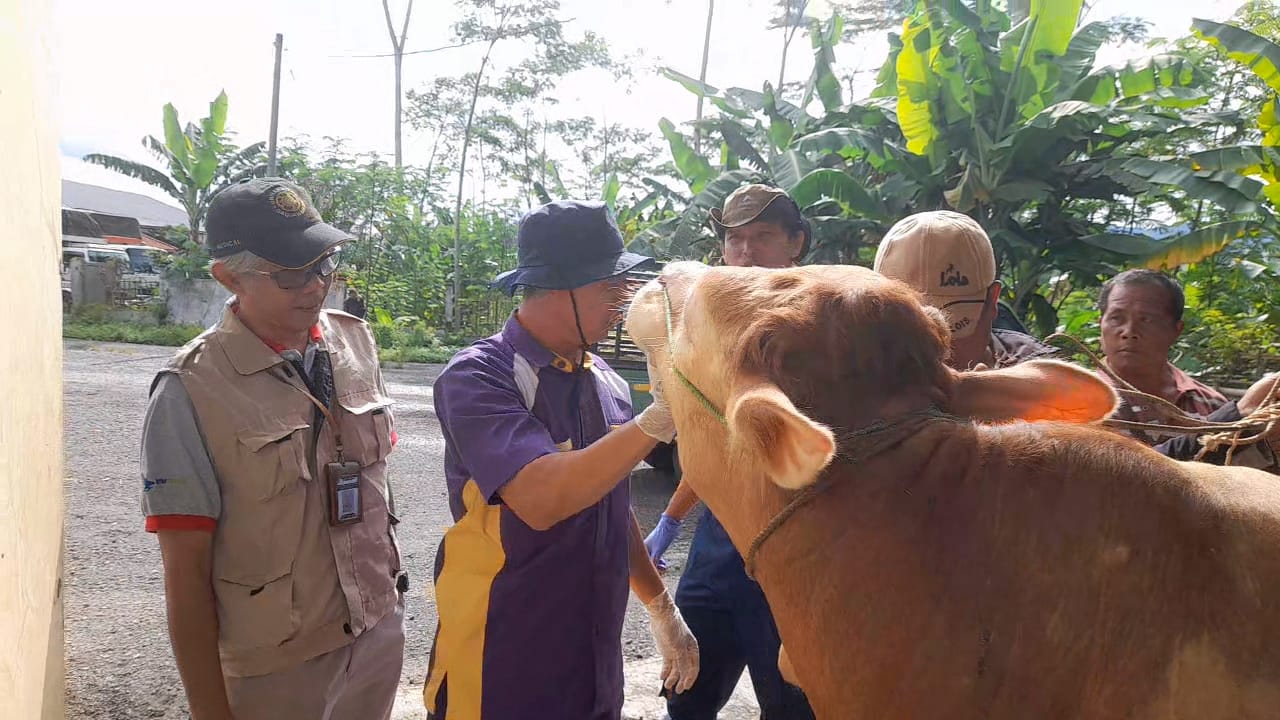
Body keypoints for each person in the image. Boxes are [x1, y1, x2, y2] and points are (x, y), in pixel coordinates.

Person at [139, 177, 406, 720]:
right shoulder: (190, 389)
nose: (316, 286)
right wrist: (210, 711)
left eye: (324, 264)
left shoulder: (354, 341)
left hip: (376, 633)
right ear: (228, 277)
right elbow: (185, 573)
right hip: (277, 669)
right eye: (290, 274)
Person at [424, 199, 699, 720]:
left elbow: (611, 508)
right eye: (608, 288)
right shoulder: (480, 377)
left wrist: (660, 606)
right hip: (500, 654)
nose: (624, 303)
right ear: (554, 288)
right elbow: (543, 499)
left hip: (591, 658)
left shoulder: (608, 383)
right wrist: (659, 418)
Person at [873, 211, 1279, 466]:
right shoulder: (852, 382)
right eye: (912, 327)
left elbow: (1126, 482)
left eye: (952, 323)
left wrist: (1235, 419)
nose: (938, 347)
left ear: (993, 301)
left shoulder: (1049, 388)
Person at [644, 184, 816, 720]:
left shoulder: (823, 325)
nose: (744, 253)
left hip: (796, 547)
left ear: (797, 242)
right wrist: (669, 523)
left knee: (791, 706)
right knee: (685, 695)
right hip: (717, 548)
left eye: (761, 237)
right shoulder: (710, 326)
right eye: (734, 240)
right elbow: (714, 445)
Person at [872, 210, 1062, 372]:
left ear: (992, 301)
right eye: (915, 333)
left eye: (953, 329)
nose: (937, 351)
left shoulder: (1041, 375)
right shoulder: (857, 379)